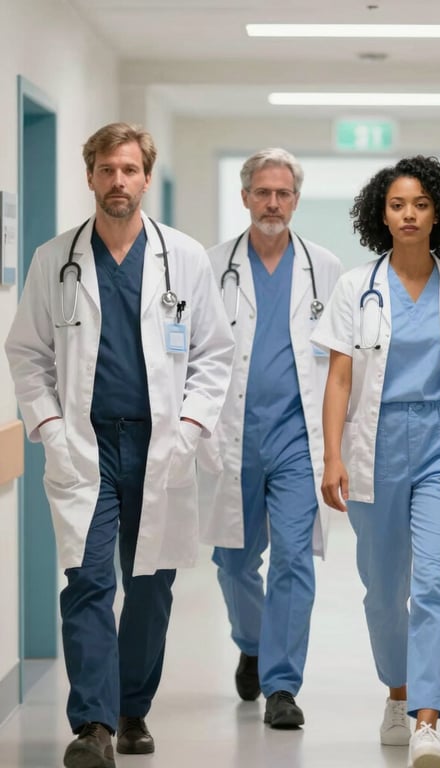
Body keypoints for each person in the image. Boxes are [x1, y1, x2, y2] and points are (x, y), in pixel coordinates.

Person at [4, 122, 234, 768]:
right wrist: (50, 427)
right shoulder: (55, 259)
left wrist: (189, 427)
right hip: (86, 445)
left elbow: (214, 353)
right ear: (90, 176)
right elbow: (26, 353)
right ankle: (94, 725)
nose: (118, 181)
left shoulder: (183, 257)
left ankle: (133, 707)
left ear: (145, 177)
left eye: (129, 170)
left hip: (161, 445)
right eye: (107, 170)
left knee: (151, 585)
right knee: (87, 580)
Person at [311, 156, 440, 768]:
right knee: (384, 590)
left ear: (439, 213)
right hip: (377, 443)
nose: (409, 214)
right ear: (382, 215)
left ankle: (427, 719)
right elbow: (340, 379)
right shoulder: (354, 288)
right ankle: (397, 691)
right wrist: (332, 455)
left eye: (420, 204)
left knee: (435, 584)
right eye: (397, 205)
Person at [199, 148, 342, 728]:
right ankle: (252, 642)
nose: (273, 203)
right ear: (245, 198)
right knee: (233, 562)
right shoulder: (212, 266)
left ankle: (282, 685)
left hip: (296, 439)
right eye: (263, 192)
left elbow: (341, 359)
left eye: (283, 193)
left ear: (296, 200)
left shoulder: (325, 267)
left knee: (292, 558)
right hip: (231, 435)